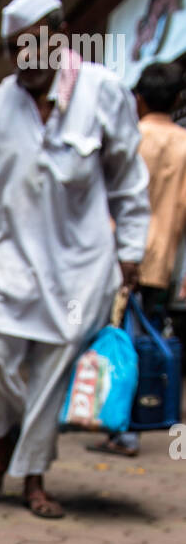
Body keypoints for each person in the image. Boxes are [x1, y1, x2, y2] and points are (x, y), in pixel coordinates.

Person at [0, 0, 149, 519]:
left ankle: (29, 473)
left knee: (50, 374)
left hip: (79, 265)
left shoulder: (104, 92)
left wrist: (131, 250)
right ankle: (4, 445)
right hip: (4, 260)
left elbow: (128, 185)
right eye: (13, 51)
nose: (24, 62)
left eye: (33, 48)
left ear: (60, 37)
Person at [91, 60, 186, 457]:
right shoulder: (183, 143)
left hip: (119, 254)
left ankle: (117, 423)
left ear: (139, 98)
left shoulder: (131, 137)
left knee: (116, 336)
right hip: (163, 257)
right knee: (143, 337)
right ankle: (135, 419)